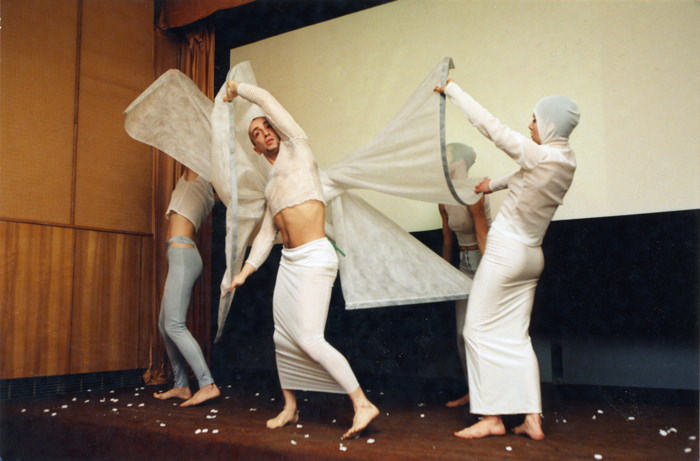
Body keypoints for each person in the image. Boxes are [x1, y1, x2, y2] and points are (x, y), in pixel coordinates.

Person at [223, 81, 379, 440]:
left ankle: (362, 403)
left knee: (309, 338)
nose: (265, 133)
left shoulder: (299, 149)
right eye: (257, 133)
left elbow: (266, 99)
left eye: (267, 127)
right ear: (256, 147)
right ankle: (290, 408)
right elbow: (266, 235)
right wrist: (245, 272)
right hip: (289, 263)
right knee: (282, 337)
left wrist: (237, 88)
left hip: (315, 257)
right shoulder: (269, 186)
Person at [434, 79, 580, 440]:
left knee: (476, 331)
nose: (530, 125)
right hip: (531, 257)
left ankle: (491, 417)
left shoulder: (539, 153)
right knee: (516, 336)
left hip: (505, 252)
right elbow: (524, 176)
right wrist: (491, 186)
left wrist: (454, 91)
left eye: (534, 119)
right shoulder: (565, 159)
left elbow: (491, 128)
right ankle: (532, 418)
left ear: (548, 124)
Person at [154, 169, 221, 406]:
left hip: (183, 255)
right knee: (165, 325)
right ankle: (181, 385)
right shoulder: (196, 183)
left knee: (174, 325)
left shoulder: (198, 175)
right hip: (180, 255)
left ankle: (207, 384)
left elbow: (192, 143)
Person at [438, 143, 491, 408]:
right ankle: (474, 391)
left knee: (482, 332)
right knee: (461, 334)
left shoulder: (475, 189)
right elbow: (448, 240)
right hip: (462, 266)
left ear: (458, 162)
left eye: (446, 156)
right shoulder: (443, 197)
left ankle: (492, 393)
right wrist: (446, 277)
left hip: (483, 261)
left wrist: (492, 275)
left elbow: (483, 235)